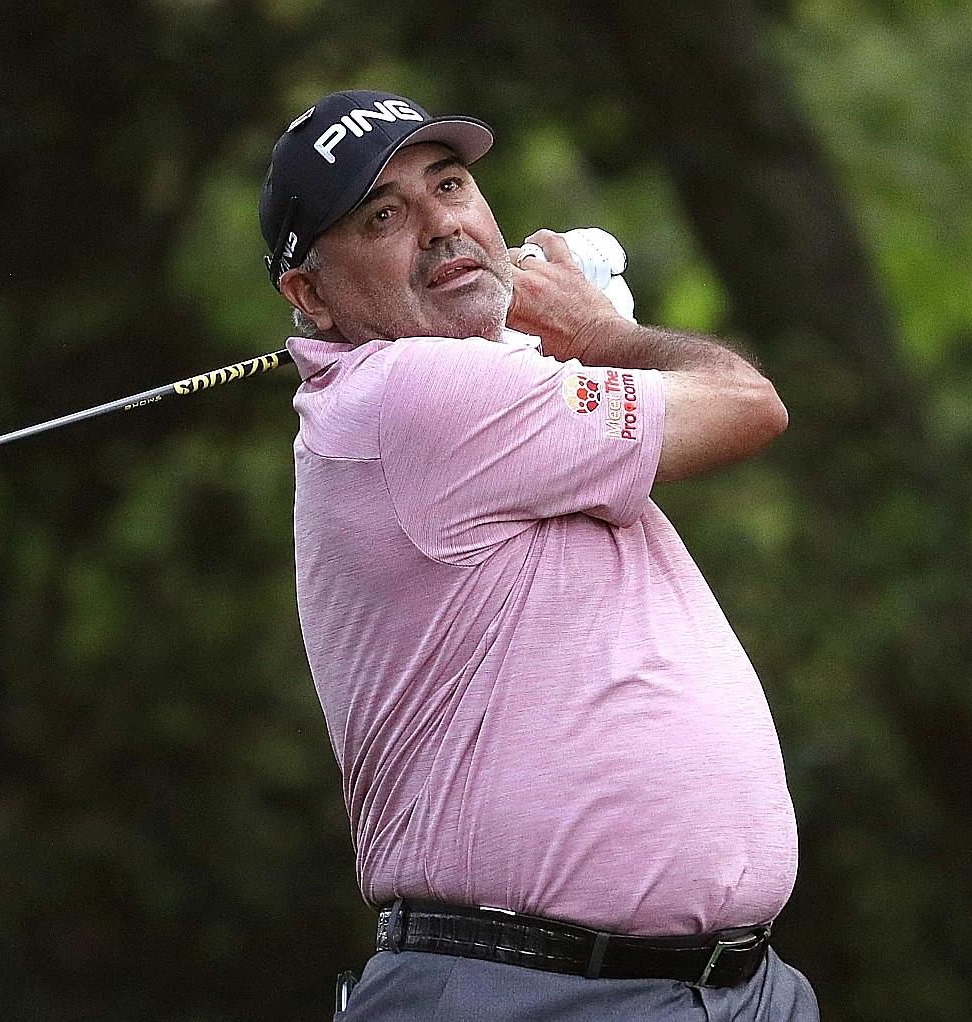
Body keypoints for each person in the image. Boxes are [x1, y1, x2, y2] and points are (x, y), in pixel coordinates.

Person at [259, 90, 817, 1020]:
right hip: (532, 989)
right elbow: (748, 402)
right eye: (386, 215)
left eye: (452, 185)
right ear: (312, 295)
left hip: (730, 988)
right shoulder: (412, 397)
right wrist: (601, 333)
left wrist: (568, 344)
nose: (443, 226)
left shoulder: (474, 395)